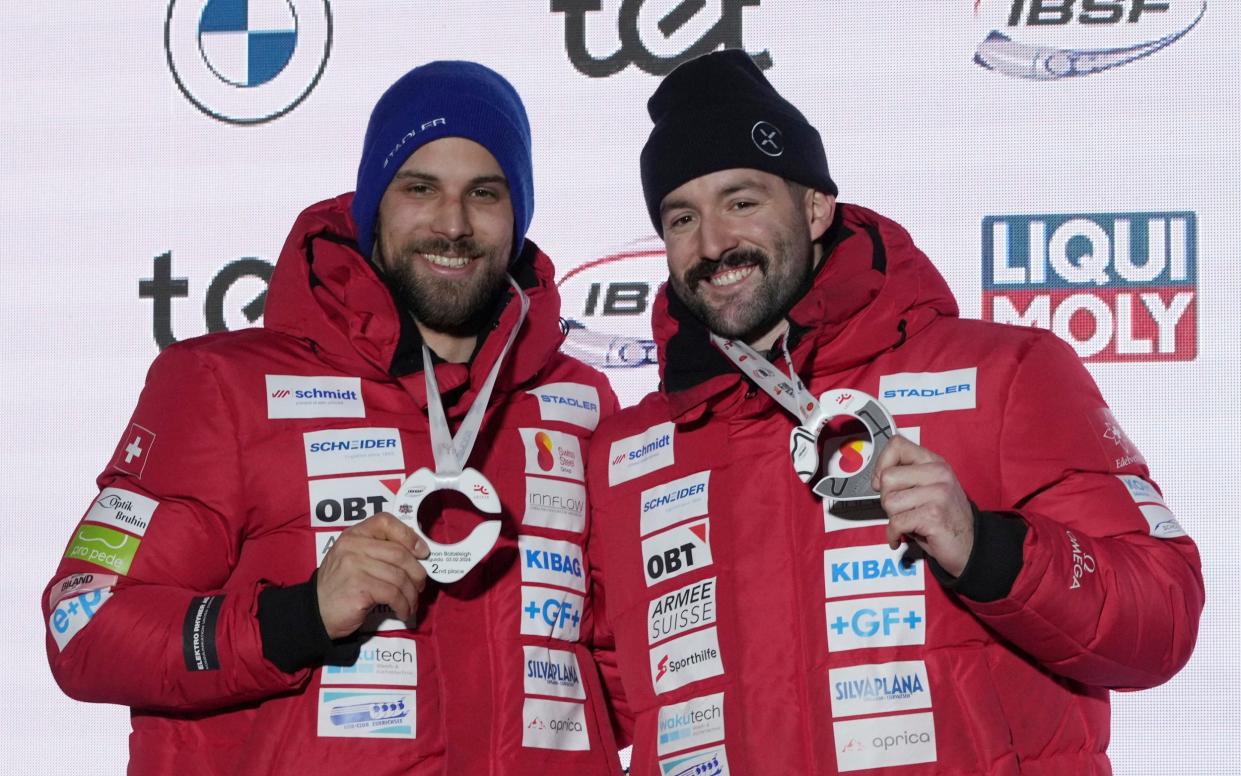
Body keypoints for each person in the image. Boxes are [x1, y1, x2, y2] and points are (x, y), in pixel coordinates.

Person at [587, 49, 1203, 775]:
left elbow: (1159, 621)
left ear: (813, 205)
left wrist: (989, 549)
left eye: (741, 201)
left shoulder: (1001, 374)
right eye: (681, 216)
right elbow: (583, 699)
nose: (713, 243)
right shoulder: (628, 451)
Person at [44, 61, 625, 775]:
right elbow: (84, 624)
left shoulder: (579, 401)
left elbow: (627, 663)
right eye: (419, 188)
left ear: (518, 214)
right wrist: (298, 616)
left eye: (485, 193)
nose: (452, 223)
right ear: (373, 203)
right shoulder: (223, 385)